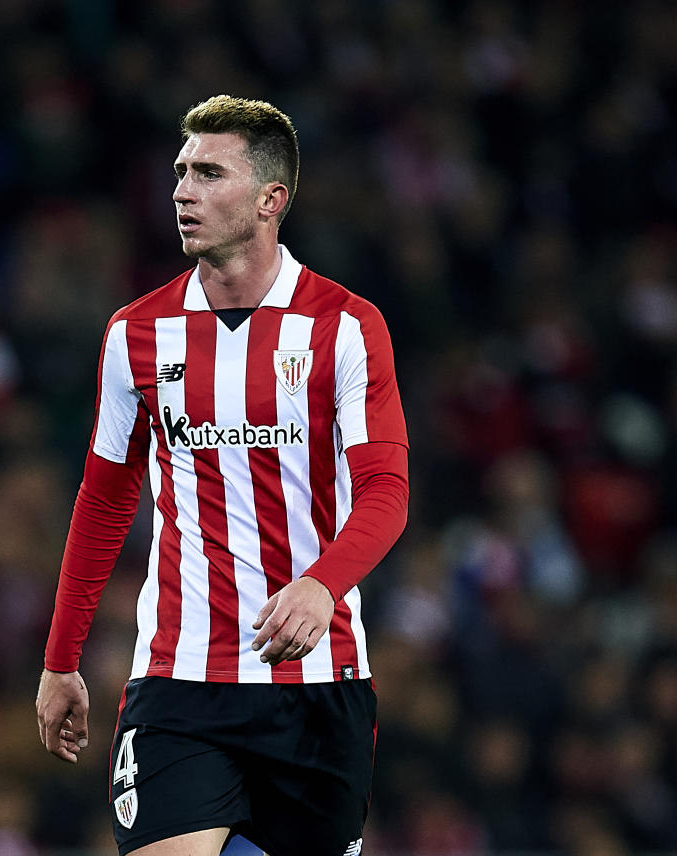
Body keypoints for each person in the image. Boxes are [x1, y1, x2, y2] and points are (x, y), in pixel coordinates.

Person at [36, 94, 410, 856]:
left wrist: (321, 583)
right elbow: (106, 500)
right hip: (177, 682)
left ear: (271, 199)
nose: (181, 190)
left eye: (209, 173)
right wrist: (60, 660)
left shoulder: (345, 327)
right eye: (180, 172)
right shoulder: (135, 334)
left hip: (316, 686)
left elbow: (386, 490)